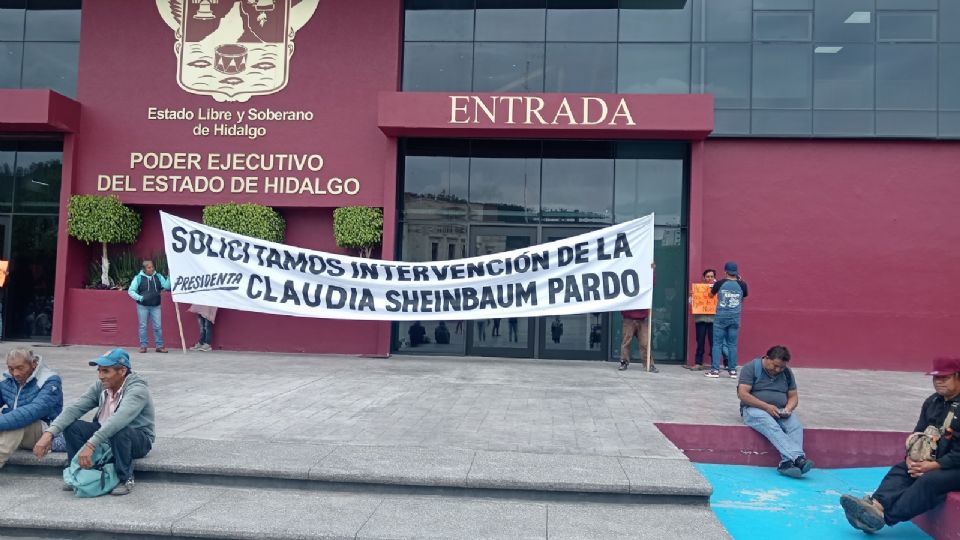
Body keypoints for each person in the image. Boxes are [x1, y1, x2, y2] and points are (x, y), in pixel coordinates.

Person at [839, 357, 960, 534]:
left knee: (929, 481)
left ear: (958, 377)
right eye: (936, 378)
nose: (938, 382)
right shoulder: (932, 402)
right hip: (934, 460)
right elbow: (918, 434)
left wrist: (933, 466)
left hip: (955, 466)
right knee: (902, 469)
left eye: (945, 378)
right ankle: (876, 505)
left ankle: (883, 517)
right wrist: (911, 458)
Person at [33, 348, 155, 496]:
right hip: (105, 434)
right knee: (73, 427)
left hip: (136, 439)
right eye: (99, 371)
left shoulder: (137, 390)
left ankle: (125, 478)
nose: (101, 376)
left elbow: (118, 420)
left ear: (122, 371)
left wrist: (91, 444)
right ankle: (79, 472)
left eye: (106, 371)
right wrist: (49, 433)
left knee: (119, 431)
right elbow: (75, 408)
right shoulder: (101, 386)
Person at [737, 345, 812, 478]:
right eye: (775, 366)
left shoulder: (786, 372)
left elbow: (793, 396)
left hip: (780, 410)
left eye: (781, 367)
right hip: (754, 409)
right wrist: (766, 406)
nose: (778, 370)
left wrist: (788, 408)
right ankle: (798, 458)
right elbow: (743, 394)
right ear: (767, 358)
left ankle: (787, 463)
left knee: (795, 424)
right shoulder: (751, 368)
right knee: (771, 424)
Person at [0, 348, 63, 469]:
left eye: (20, 368)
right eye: (11, 368)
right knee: (12, 421)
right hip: (16, 433)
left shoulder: (50, 380)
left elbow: (33, 411)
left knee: (17, 423)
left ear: (33, 364)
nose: (15, 373)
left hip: (43, 431)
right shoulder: (7, 379)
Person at [706, 261, 748, 378]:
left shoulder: (719, 283)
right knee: (732, 345)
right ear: (736, 272)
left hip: (721, 317)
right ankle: (732, 370)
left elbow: (710, 296)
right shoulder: (743, 284)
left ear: (725, 272)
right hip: (735, 317)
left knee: (717, 344)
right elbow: (742, 299)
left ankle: (715, 370)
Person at [619, 262, 657, 373]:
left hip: (642, 318)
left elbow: (652, 284)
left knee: (645, 343)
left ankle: (649, 364)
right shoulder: (625, 279)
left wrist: (652, 271)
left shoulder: (644, 279)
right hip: (629, 317)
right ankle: (624, 362)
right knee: (626, 341)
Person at [127, 260, 170, 354]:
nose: (151, 269)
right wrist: (140, 298)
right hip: (142, 306)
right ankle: (143, 346)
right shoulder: (138, 278)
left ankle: (159, 346)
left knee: (157, 327)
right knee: (143, 326)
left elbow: (167, 286)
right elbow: (131, 291)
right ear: (144, 269)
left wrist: (169, 277)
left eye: (152, 267)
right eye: (149, 267)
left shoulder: (158, 276)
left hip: (156, 306)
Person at [686, 268, 717, 370]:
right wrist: (691, 296)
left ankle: (714, 364)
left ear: (714, 277)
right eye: (707, 276)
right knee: (700, 341)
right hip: (700, 319)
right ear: (704, 277)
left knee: (714, 342)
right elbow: (691, 303)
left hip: (714, 320)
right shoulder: (698, 289)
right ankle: (698, 363)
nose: (709, 278)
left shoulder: (718, 288)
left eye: (712, 276)